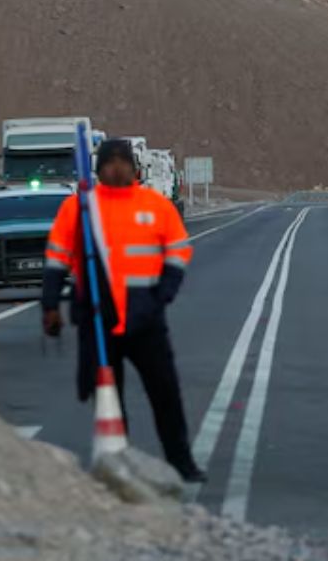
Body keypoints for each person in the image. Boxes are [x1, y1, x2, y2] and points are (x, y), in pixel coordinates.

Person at [40, 139, 206, 483]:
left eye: (123, 162)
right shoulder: (80, 209)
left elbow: (178, 252)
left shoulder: (155, 205)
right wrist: (51, 305)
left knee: (165, 393)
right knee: (108, 396)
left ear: (135, 168)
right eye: (110, 163)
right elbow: (56, 260)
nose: (117, 168)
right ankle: (120, 464)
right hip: (99, 316)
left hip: (146, 318)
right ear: (99, 169)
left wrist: (161, 296)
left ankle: (182, 462)